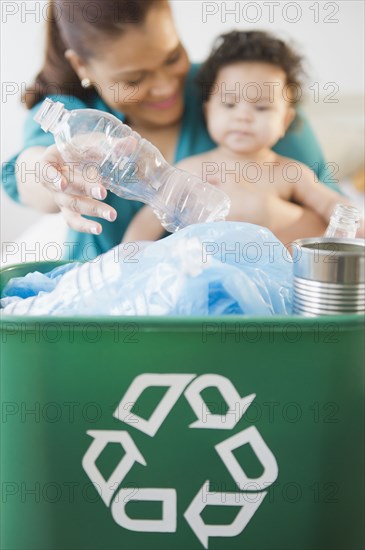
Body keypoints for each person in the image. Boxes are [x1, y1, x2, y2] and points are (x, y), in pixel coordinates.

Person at [1, 2, 338, 260]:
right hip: (108, 311)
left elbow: (339, 233)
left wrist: (270, 213)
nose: (164, 87)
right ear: (81, 66)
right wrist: (54, 177)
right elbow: (27, 173)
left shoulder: (235, 89)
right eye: (134, 79)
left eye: (172, 56)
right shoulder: (73, 112)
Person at [124, 30, 363, 244]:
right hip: (203, 275)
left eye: (261, 108)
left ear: (285, 121)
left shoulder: (291, 173)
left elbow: (332, 205)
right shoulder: (192, 170)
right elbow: (148, 221)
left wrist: (355, 222)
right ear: (208, 112)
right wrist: (125, 259)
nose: (243, 116)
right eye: (229, 104)